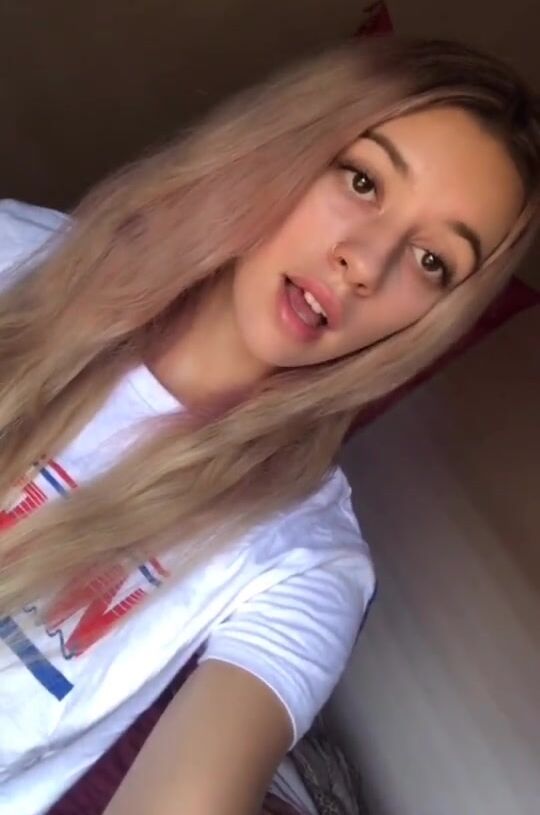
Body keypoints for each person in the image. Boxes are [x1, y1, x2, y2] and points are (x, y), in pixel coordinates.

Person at [0, 34, 538, 815]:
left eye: (433, 262)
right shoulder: (15, 256)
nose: (366, 263)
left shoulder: (306, 561)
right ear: (285, 145)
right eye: (363, 180)